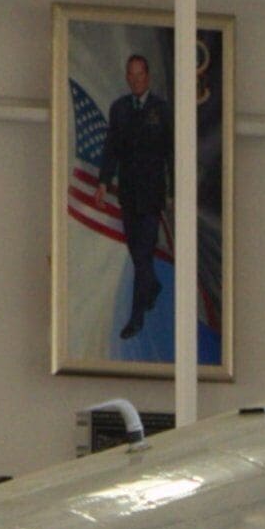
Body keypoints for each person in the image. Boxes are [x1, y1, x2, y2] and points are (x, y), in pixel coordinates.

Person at [99, 49, 173, 341]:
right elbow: (111, 149)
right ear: (127, 78)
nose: (136, 80)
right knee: (136, 253)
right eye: (132, 75)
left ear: (148, 77)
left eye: (141, 74)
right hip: (128, 194)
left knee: (143, 253)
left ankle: (136, 318)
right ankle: (152, 285)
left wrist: (175, 191)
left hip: (153, 195)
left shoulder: (162, 109)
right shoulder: (119, 109)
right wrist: (103, 182)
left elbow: (172, 153)